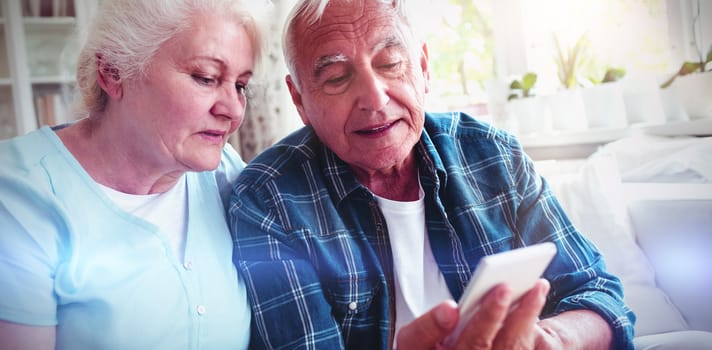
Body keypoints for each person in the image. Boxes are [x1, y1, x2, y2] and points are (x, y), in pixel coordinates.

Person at [229, 0, 636, 349]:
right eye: (337, 78)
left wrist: (552, 340)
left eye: (390, 63)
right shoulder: (268, 200)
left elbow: (599, 295)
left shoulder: (492, 156)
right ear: (300, 101)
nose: (374, 97)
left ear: (423, 68)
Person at [0, 0, 268, 349]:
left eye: (241, 86)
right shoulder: (18, 195)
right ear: (113, 72)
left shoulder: (226, 174)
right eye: (206, 78)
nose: (232, 110)